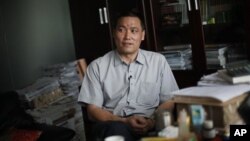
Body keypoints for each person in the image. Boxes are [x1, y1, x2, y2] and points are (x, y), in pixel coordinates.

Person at [78, 9, 179, 141]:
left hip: (151, 123)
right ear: (114, 33)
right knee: (116, 131)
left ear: (142, 35)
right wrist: (124, 121)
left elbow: (169, 100)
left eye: (134, 30)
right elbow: (92, 111)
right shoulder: (97, 66)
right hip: (113, 123)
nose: (127, 37)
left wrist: (152, 122)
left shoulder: (158, 61)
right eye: (121, 30)